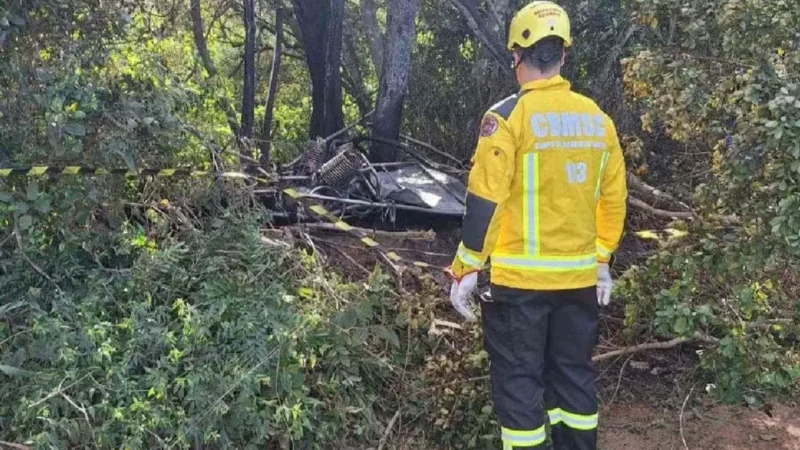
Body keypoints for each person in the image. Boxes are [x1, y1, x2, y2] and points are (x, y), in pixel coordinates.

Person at [444, 2, 628, 449]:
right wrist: (602, 258)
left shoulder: (507, 118)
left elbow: (485, 199)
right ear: (563, 56)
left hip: (520, 288)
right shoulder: (598, 121)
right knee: (574, 381)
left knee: (520, 388)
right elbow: (614, 199)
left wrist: (466, 267)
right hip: (579, 283)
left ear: (515, 56)